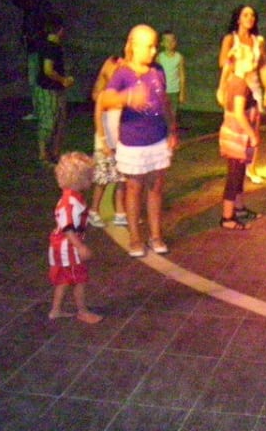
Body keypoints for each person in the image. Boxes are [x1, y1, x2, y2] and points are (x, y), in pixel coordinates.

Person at [98, 25, 176, 258]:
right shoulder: (123, 72)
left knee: (156, 187)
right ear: (134, 46)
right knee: (133, 189)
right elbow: (105, 99)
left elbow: (164, 102)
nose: (154, 51)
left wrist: (172, 129)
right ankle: (134, 237)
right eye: (149, 46)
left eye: (155, 46)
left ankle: (156, 235)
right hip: (133, 141)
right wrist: (128, 97)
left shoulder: (158, 70)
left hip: (157, 138)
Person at [48, 151, 103, 324]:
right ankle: (82, 311)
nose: (92, 179)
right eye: (89, 176)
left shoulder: (71, 198)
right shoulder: (70, 203)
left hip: (63, 245)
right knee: (79, 278)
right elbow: (68, 228)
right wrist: (80, 246)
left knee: (64, 279)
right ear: (80, 179)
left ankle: (56, 310)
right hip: (68, 247)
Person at [218, 5, 266, 183]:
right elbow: (222, 63)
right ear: (238, 18)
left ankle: (251, 167)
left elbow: (263, 66)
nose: (249, 18)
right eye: (245, 15)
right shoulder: (230, 39)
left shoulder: (258, 41)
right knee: (236, 126)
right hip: (236, 85)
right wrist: (232, 57)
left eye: (252, 15)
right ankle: (235, 163)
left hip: (253, 87)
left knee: (254, 128)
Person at [218, 43, 261, 229]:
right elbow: (238, 113)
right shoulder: (239, 83)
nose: (254, 62)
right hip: (237, 136)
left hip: (237, 135)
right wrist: (252, 134)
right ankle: (227, 217)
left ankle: (239, 207)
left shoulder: (237, 81)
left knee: (240, 172)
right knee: (234, 175)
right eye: (250, 58)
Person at [87, 55, 127, 228]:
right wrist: (103, 143)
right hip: (105, 145)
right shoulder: (103, 95)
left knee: (122, 179)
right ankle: (93, 211)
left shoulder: (123, 95)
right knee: (102, 180)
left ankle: (120, 213)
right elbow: (98, 120)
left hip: (121, 145)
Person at [33, 13, 74, 165]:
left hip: (55, 89)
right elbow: (48, 70)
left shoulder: (50, 46)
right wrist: (64, 80)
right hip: (49, 90)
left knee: (59, 121)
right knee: (49, 122)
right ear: (60, 30)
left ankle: (54, 153)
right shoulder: (51, 47)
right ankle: (44, 154)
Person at [12, 0, 51, 122]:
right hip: (34, 50)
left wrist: (34, 37)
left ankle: (42, 111)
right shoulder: (30, 12)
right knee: (35, 82)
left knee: (38, 82)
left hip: (39, 50)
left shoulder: (37, 11)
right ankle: (39, 111)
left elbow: (45, 29)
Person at [155, 29, 186, 128]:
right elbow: (156, 74)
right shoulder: (160, 57)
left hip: (174, 90)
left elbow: (181, 75)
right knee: (162, 113)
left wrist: (182, 92)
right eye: (167, 41)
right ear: (162, 43)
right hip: (163, 91)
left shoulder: (178, 57)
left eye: (172, 40)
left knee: (172, 113)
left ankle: (171, 131)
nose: (170, 43)